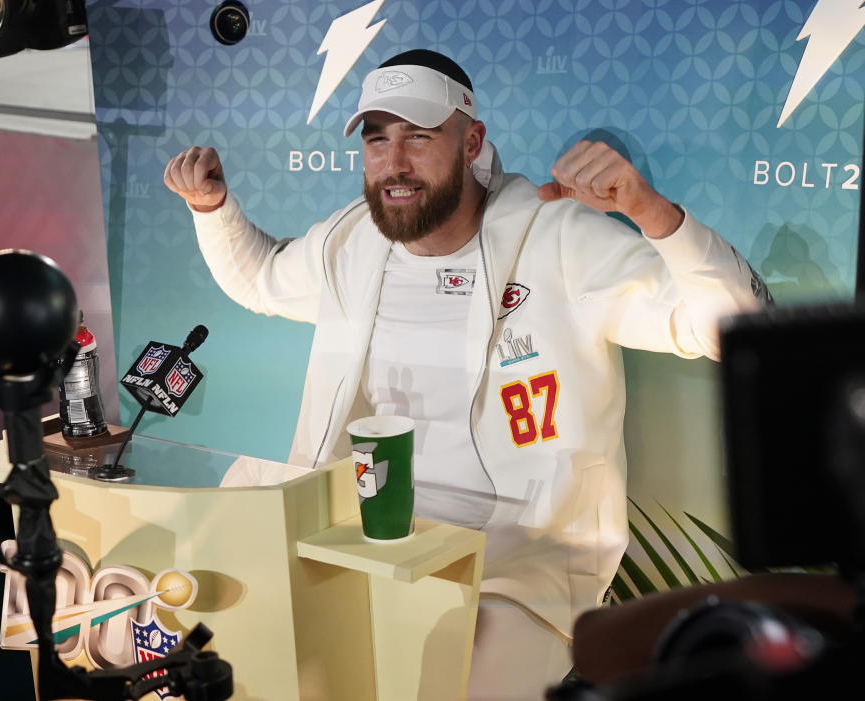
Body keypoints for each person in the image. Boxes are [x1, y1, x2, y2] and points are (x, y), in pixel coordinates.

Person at [164, 49, 768, 699]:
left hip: (515, 568)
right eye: (377, 139)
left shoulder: (557, 239)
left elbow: (733, 324)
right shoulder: (353, 240)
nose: (394, 162)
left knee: (443, 674)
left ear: (472, 139)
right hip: (361, 536)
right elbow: (262, 278)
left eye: (418, 137)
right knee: (234, 633)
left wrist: (652, 212)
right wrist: (212, 207)